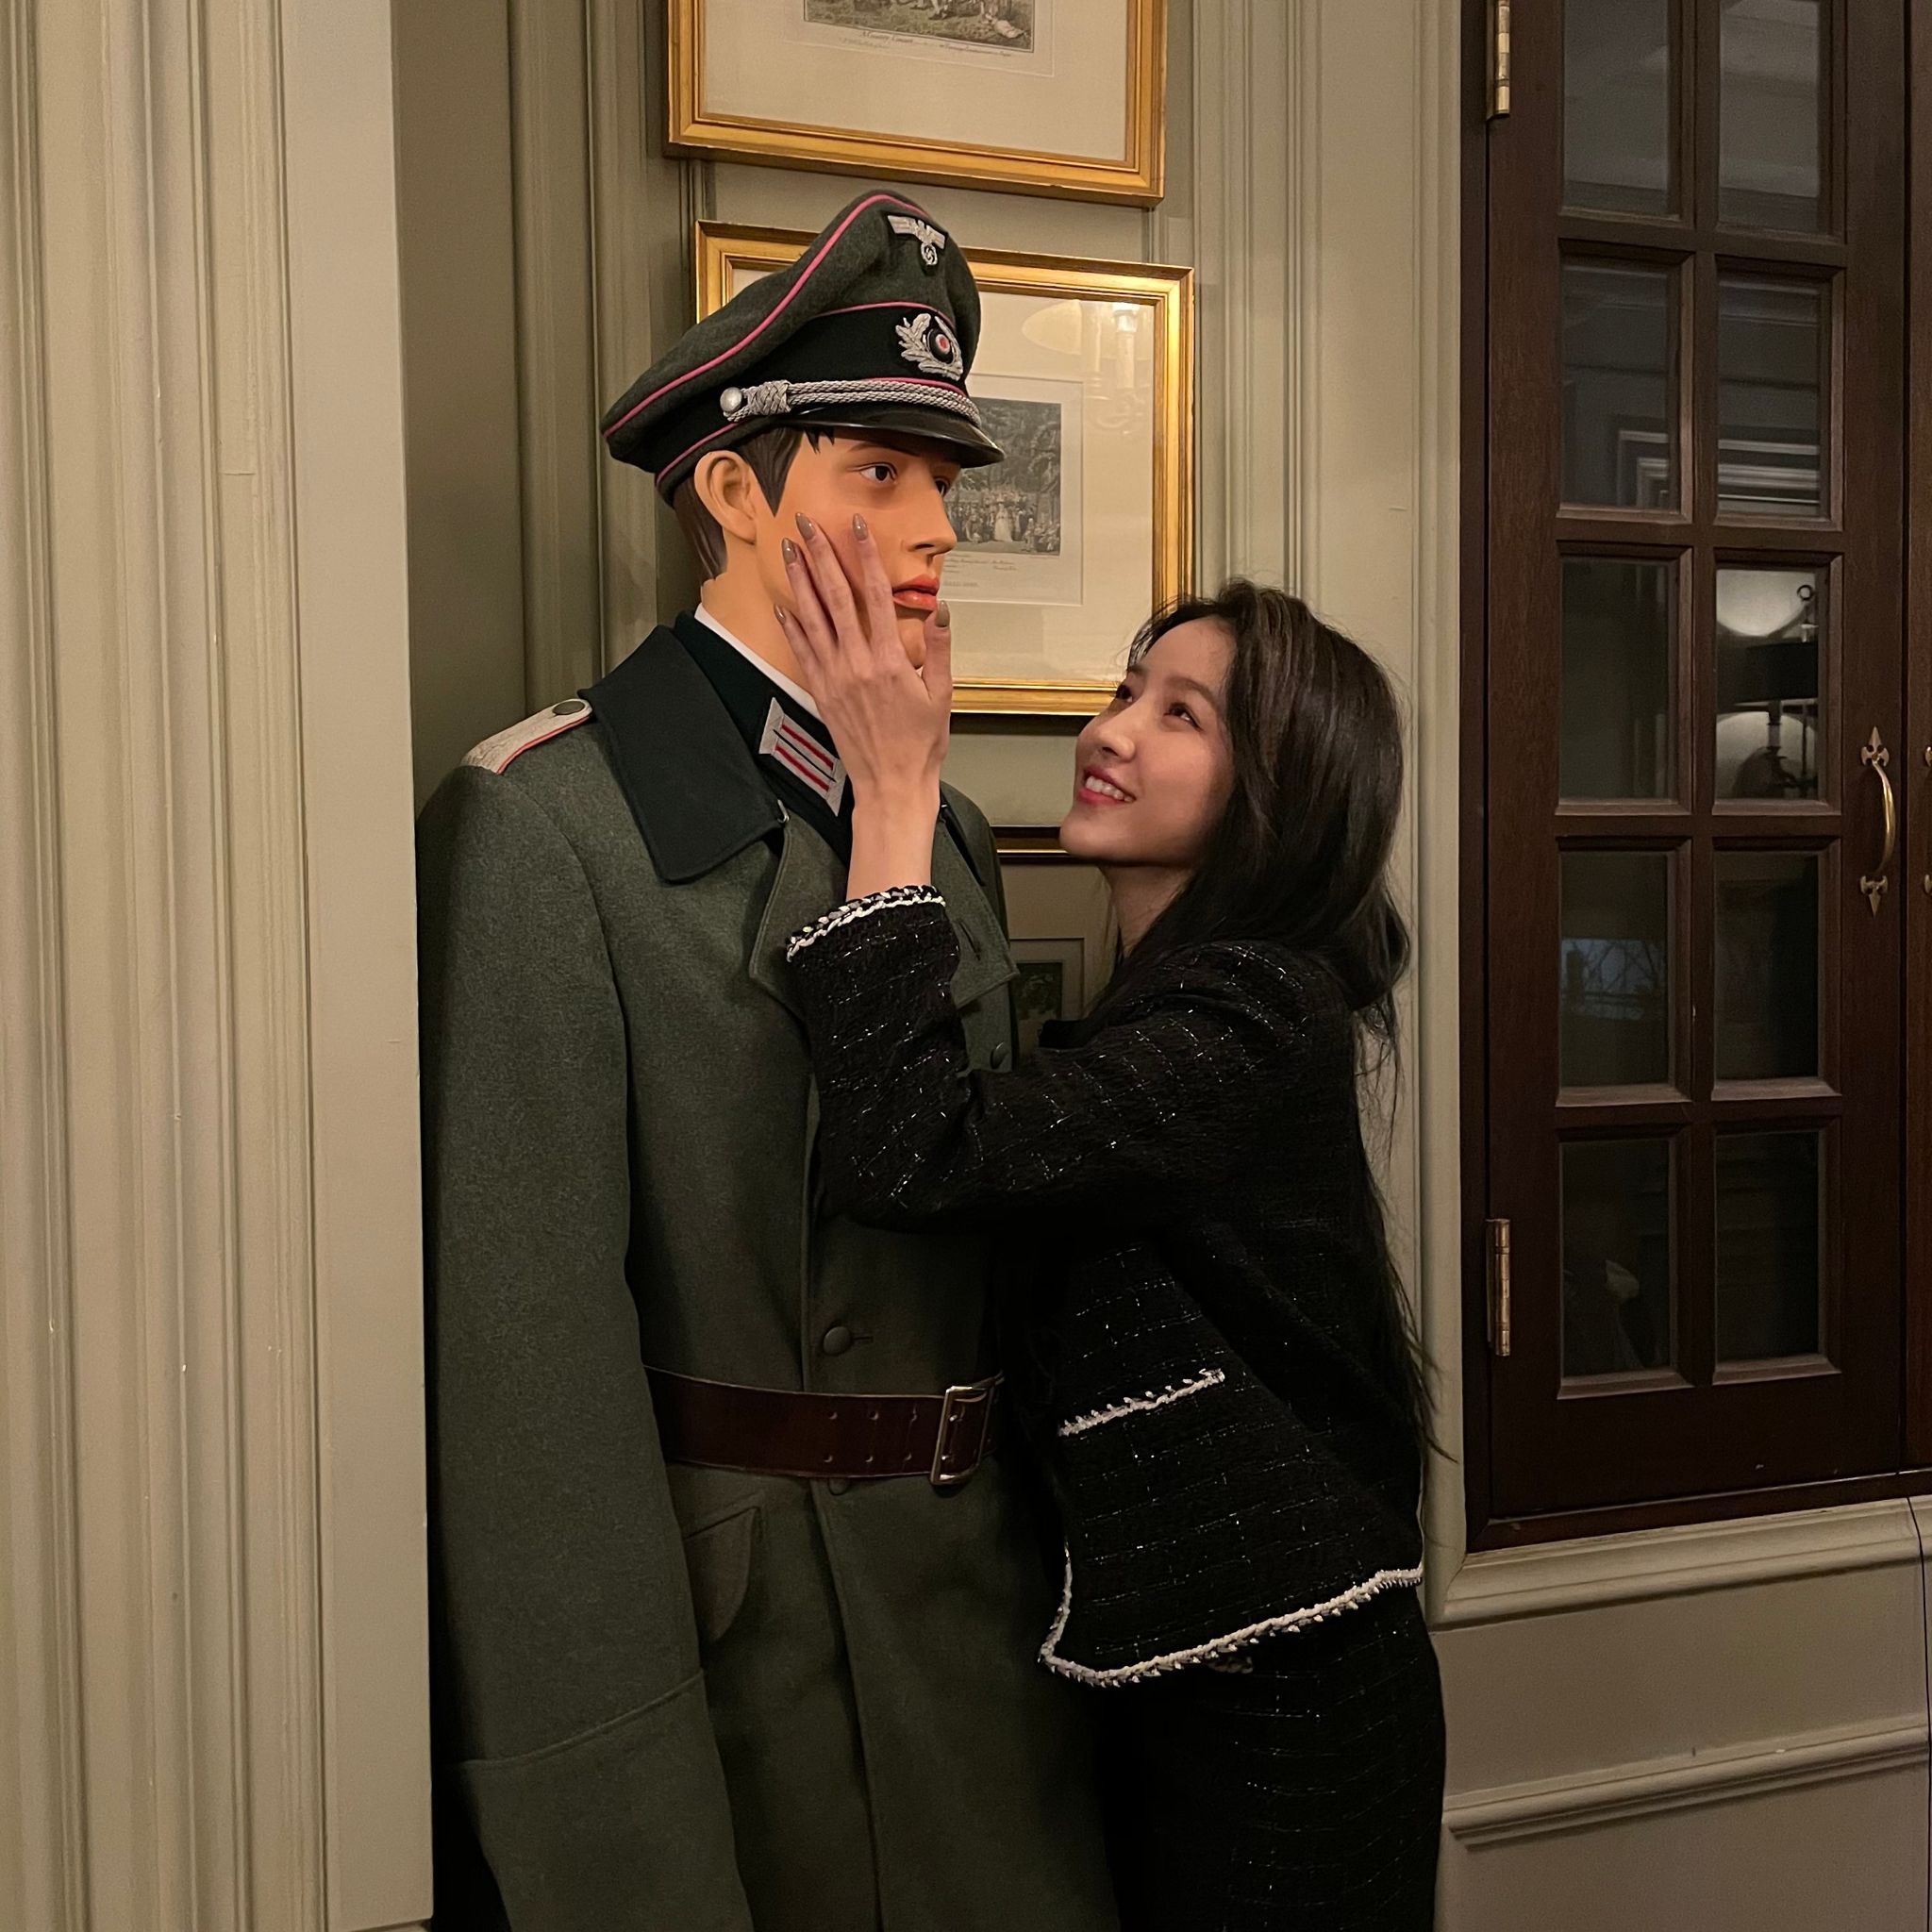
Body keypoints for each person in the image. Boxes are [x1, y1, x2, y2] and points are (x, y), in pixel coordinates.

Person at [416, 191, 1116, 1931]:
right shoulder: (548, 828)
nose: (935, 527)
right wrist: (615, 1841)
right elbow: (534, 1404)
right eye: (877, 472)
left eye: (941, 478)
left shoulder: (938, 821)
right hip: (760, 1667)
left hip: (982, 1632)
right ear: (731, 492)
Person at [772, 534, 1446, 1931]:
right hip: (1218, 1671)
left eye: (1180, 715)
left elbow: (912, 1150)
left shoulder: (1254, 1012)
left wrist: (893, 793)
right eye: (1129, 690)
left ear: (1277, 796)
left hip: (1287, 1704)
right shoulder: (1187, 1001)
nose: (1111, 732)